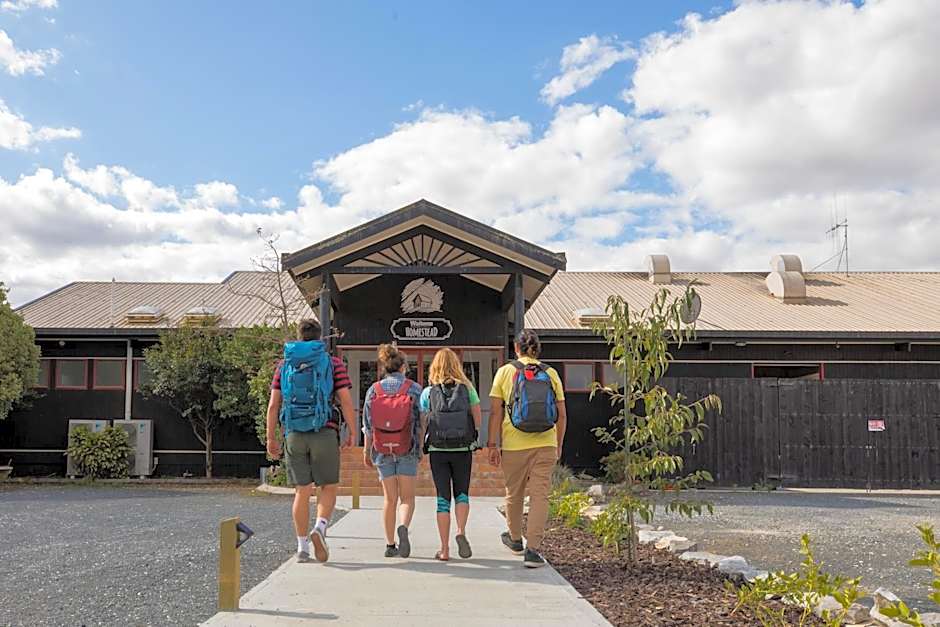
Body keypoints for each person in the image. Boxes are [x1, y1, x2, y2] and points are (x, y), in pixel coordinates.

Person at [266, 319, 355, 563]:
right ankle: (321, 527)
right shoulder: (332, 363)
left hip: (294, 432)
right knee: (328, 486)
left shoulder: (285, 365)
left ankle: (302, 547)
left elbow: (274, 405)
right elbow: (346, 400)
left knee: (301, 491)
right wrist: (353, 432)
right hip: (324, 430)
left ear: (298, 336)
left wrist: (270, 437)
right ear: (320, 338)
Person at [487, 329, 567, 568]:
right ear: (538, 349)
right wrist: (559, 444)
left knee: (514, 493)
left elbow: (495, 411)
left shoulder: (505, 372)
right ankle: (532, 550)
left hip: (514, 443)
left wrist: (493, 444)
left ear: (516, 347)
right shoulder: (551, 373)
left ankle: (514, 539)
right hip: (545, 442)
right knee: (540, 495)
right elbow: (562, 415)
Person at [361, 343, 423, 558]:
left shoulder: (373, 391)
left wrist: (367, 450)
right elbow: (422, 421)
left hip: (382, 449)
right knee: (407, 498)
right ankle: (403, 526)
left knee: (389, 499)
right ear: (403, 367)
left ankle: (390, 545)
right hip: (408, 447)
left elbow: (368, 426)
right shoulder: (414, 389)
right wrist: (421, 447)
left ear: (383, 367)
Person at [420, 348, 482, 561]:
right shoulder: (468, 390)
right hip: (463, 449)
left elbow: (424, 423)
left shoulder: (429, 393)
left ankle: (444, 549)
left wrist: (421, 447)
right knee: (462, 493)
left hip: (438, 450)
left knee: (442, 498)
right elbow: (478, 421)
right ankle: (461, 532)